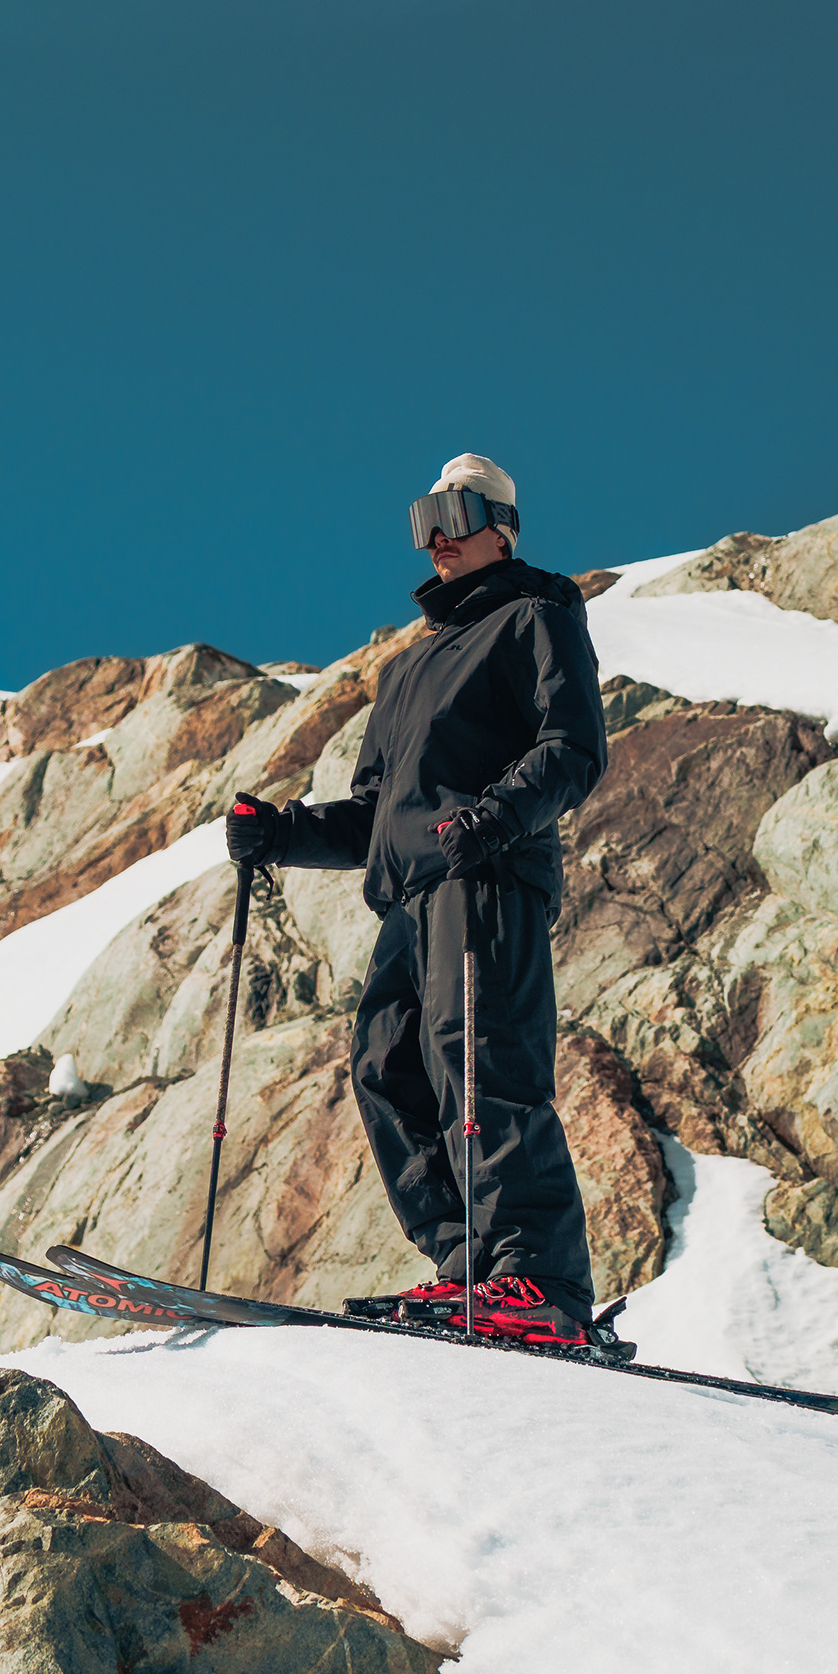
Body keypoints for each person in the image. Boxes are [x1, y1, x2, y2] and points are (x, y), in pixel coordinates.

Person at [224, 454, 612, 1350]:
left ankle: (541, 1281)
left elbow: (573, 747)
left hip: (486, 877)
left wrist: (495, 819)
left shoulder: (536, 617)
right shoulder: (406, 672)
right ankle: (468, 1267)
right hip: (409, 897)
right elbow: (374, 815)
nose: (437, 536)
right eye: (423, 518)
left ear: (502, 525)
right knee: (388, 1069)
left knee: (482, 1059)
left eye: (457, 513)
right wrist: (280, 834)